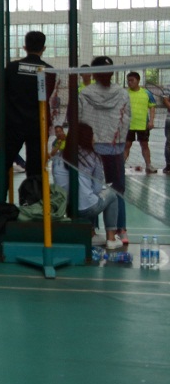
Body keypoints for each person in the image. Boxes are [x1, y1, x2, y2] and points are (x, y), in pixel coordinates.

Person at [79, 57, 131, 245]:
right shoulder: (122, 93)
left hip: (91, 149)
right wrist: (119, 143)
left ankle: (91, 231)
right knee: (116, 190)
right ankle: (120, 231)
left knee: (91, 190)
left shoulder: (85, 93)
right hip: (114, 149)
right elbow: (126, 120)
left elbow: (79, 121)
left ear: (93, 73)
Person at [53, 123, 122, 250]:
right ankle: (111, 238)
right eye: (92, 136)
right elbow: (97, 188)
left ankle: (91, 234)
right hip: (86, 209)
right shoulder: (93, 156)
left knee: (88, 194)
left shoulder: (58, 157)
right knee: (111, 195)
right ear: (87, 138)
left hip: (66, 208)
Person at [3, 31, 56, 173]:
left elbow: (3, 92)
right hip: (38, 124)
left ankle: (1, 188)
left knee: (3, 163)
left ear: (24, 47)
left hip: (13, 124)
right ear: (44, 48)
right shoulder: (49, 70)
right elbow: (47, 95)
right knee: (36, 167)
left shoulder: (12, 68)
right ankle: (33, 188)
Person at [124, 71, 156, 174]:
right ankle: (120, 166)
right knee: (127, 145)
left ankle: (149, 166)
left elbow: (152, 107)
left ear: (138, 80)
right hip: (129, 125)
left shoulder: (147, 93)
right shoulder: (125, 94)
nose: (129, 82)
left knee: (144, 145)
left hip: (143, 124)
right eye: (128, 81)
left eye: (132, 80)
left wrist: (151, 121)